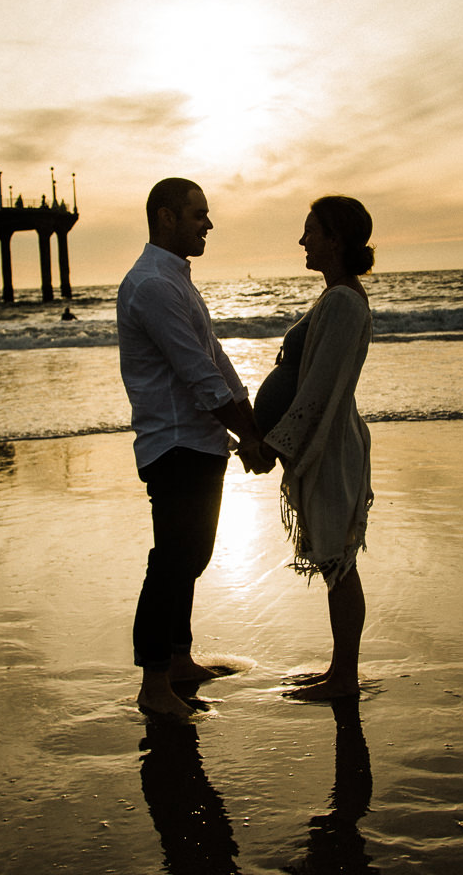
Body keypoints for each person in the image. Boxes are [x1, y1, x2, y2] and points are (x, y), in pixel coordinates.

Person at [118, 178, 271, 718]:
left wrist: (247, 420)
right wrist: (248, 435)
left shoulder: (176, 280)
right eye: (198, 214)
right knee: (174, 559)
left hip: (200, 439)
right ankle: (153, 683)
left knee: (192, 556)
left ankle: (178, 660)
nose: (208, 223)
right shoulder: (152, 285)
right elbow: (196, 374)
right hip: (175, 440)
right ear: (166, 218)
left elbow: (217, 360)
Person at [254, 195, 374, 701]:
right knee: (334, 562)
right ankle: (338, 670)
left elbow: (321, 388)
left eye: (311, 231)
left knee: (338, 562)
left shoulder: (344, 302)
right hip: (323, 443)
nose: (303, 241)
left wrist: (274, 445)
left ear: (335, 239)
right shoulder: (335, 297)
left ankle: (344, 676)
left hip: (330, 446)